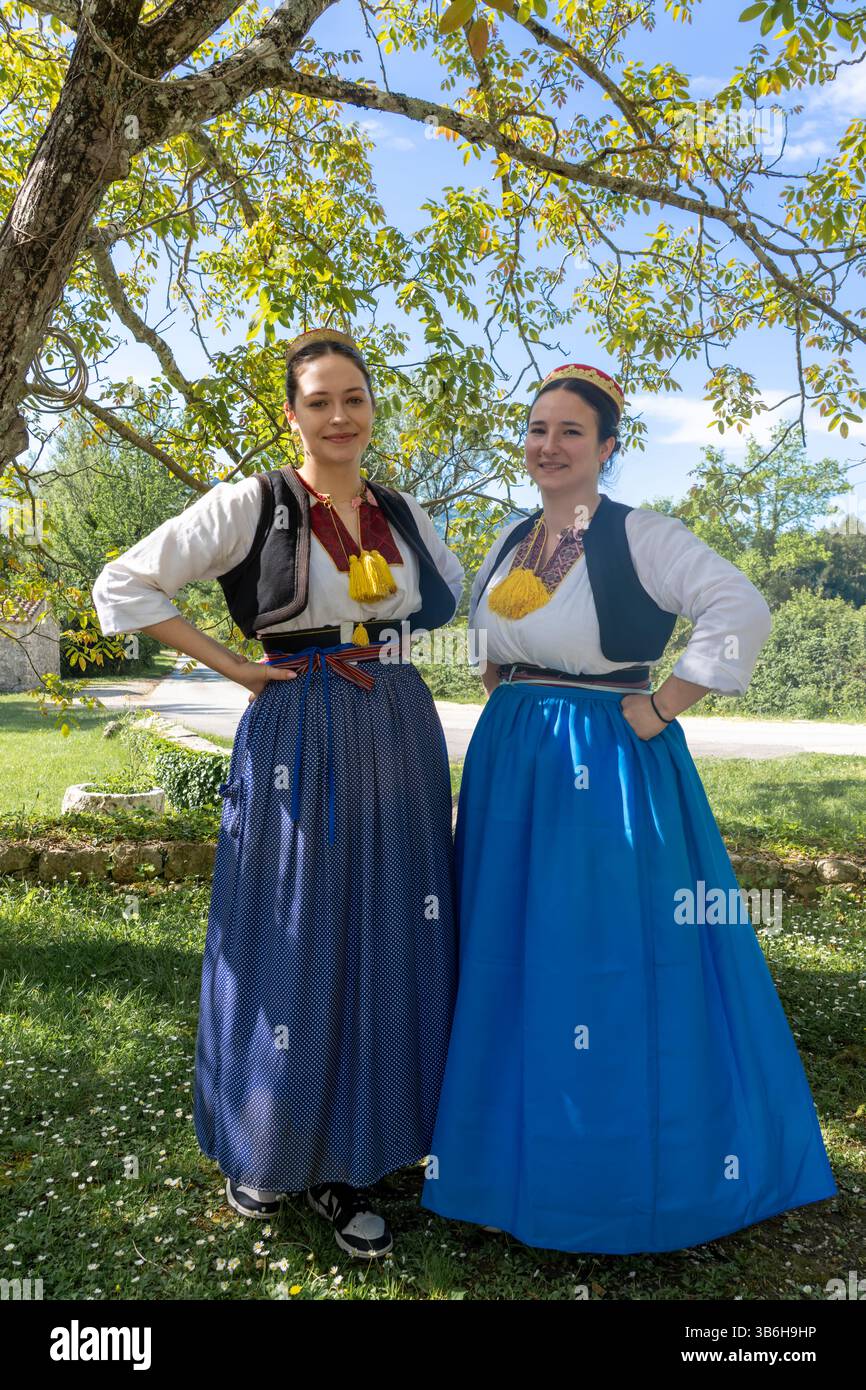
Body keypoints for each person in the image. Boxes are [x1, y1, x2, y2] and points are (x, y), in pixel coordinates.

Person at [419, 362, 838, 1253]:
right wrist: (500, 679)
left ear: (607, 448)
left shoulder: (642, 533)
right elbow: (491, 639)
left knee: (600, 948)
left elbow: (740, 606)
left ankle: (613, 1173)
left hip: (604, 759)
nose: (549, 445)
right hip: (514, 762)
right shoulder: (511, 537)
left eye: (571, 432)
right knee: (505, 943)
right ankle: (500, 1160)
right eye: (538, 429)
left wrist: (658, 705)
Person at [92, 328, 464, 1259]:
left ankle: (356, 1157)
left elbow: (469, 608)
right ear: (291, 414)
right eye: (319, 401)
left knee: (391, 927)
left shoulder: (402, 510)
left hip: (396, 727)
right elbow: (124, 585)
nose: (340, 416)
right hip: (297, 724)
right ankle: (271, 1139)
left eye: (355, 398)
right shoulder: (252, 504)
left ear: (373, 408)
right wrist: (232, 666)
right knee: (295, 928)